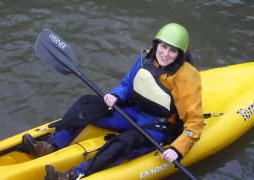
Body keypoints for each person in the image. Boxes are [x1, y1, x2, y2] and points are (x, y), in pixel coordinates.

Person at [23, 23, 204, 180]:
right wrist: (116, 95)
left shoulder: (187, 77)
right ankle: (52, 145)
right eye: (163, 47)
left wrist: (178, 149)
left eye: (173, 51)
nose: (165, 54)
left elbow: (195, 123)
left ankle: (72, 175)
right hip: (132, 111)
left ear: (180, 54)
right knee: (87, 104)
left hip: (158, 126)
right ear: (157, 45)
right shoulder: (145, 57)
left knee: (123, 142)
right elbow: (127, 85)